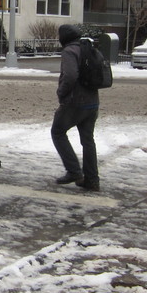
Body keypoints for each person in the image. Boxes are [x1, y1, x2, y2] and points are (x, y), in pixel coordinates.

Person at [51, 24, 100, 192]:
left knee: (57, 132)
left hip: (75, 102)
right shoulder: (88, 48)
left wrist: (61, 92)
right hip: (93, 101)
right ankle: (92, 180)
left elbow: (70, 75)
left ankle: (74, 171)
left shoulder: (69, 51)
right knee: (88, 141)